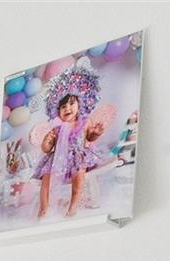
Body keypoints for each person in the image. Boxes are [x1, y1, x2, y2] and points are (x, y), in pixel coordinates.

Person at [30, 61, 114, 219]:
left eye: (71, 104)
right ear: (58, 112)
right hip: (57, 160)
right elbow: (47, 149)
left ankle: (73, 205)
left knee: (79, 175)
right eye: (63, 107)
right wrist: (47, 141)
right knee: (46, 178)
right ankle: (44, 208)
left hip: (77, 157)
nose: (67, 108)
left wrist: (95, 133)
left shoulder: (84, 122)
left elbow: (89, 138)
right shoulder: (57, 129)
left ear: (79, 105)